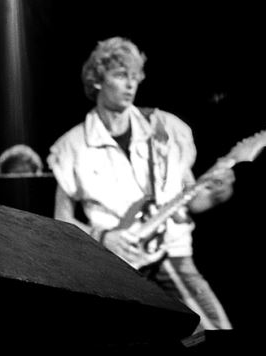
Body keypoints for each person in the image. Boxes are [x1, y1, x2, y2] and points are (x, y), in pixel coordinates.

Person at [46, 36, 233, 332]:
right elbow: (62, 220)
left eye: (135, 76)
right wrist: (102, 236)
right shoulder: (72, 146)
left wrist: (219, 193)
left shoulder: (166, 127)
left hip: (172, 256)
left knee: (214, 331)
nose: (131, 84)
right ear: (97, 80)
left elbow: (192, 201)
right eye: (121, 75)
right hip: (116, 264)